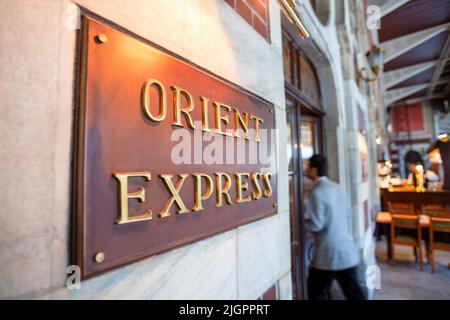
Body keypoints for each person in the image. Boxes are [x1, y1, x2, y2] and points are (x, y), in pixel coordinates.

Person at [305, 154, 366, 300]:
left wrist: (301, 222)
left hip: (327, 254)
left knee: (314, 292)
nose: (306, 170)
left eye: (308, 167)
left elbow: (317, 224)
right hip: (345, 250)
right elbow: (347, 214)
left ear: (314, 170)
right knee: (354, 293)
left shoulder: (317, 192)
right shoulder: (338, 188)